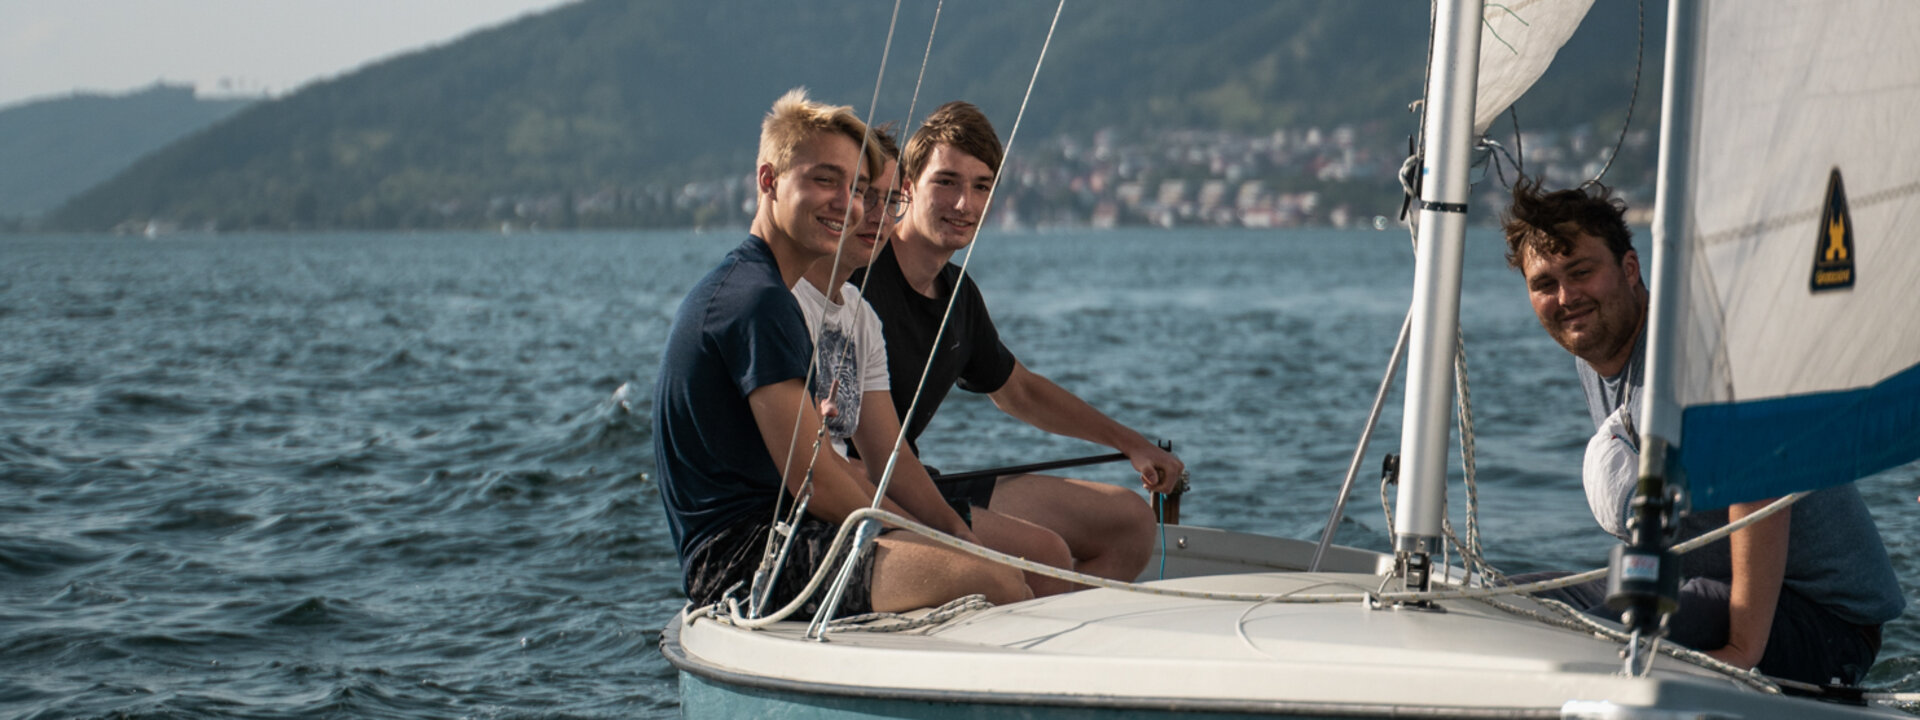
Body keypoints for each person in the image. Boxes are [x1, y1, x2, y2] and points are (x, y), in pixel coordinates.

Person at [1502, 177, 1904, 686]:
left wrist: (1742, 649)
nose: (1566, 296)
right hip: (1707, 587)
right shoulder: (1598, 356)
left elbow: (1759, 479)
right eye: (1544, 284)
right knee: (1502, 605)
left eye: (1581, 272)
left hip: (1817, 620)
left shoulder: (1691, 351)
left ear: (1630, 268)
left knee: (1585, 636)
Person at [653, 89, 1029, 622]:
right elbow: (816, 479)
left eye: (854, 188)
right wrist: (946, 546)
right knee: (990, 578)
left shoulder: (764, 291)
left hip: (794, 533)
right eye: (824, 180)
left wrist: (951, 532)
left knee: (991, 566)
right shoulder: (756, 302)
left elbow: (862, 463)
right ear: (769, 182)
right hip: (746, 561)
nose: (846, 204)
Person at [852, 101, 1183, 585]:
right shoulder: (857, 278)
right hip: (862, 489)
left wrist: (1131, 444)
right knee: (1043, 550)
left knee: (1129, 522)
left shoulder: (958, 296)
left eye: (981, 186)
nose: (964, 203)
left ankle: (1048, 642)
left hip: (923, 481)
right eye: (946, 181)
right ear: (906, 186)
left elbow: (1018, 390)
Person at [795, 126, 1079, 595]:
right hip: (809, 522)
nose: (872, 214)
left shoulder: (862, 314)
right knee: (1011, 573)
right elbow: (820, 469)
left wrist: (948, 531)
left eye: (887, 200)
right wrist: (936, 533)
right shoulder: (781, 303)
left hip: (881, 494)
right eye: (862, 195)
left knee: (1061, 548)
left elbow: (892, 455)